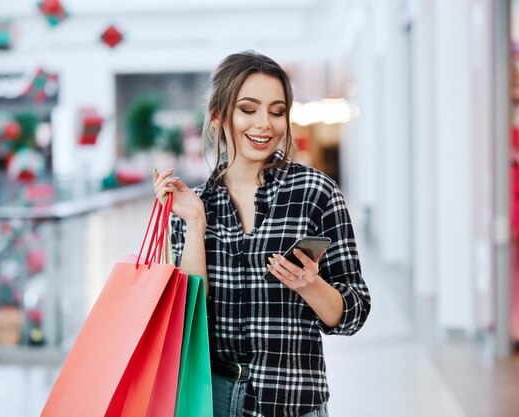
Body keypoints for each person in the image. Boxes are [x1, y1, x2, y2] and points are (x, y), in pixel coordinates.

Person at [153, 51, 371, 417]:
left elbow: (355, 312)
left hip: (292, 401)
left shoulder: (316, 193)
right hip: (211, 400)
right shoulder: (193, 205)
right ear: (219, 116)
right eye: (248, 109)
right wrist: (194, 225)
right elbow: (191, 325)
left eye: (276, 111)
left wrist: (310, 286)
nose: (264, 125)